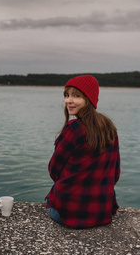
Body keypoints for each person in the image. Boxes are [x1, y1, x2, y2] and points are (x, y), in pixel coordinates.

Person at [45, 75, 120, 229]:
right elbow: (115, 173)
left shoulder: (74, 129)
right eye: (67, 95)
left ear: (89, 99)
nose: (68, 100)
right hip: (102, 212)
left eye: (76, 95)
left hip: (68, 213)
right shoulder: (109, 127)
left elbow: (54, 170)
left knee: (51, 202)